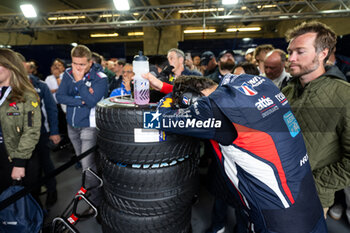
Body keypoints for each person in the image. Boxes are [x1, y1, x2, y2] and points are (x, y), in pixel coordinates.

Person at [143, 73, 327, 233]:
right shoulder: (258, 84)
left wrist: (168, 98)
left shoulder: (213, 110)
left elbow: (158, 120)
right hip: (310, 204)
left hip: (277, 220)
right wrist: (167, 86)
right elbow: (206, 96)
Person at [282, 21, 350, 219]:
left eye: (300, 52)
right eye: (290, 51)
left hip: (313, 198)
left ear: (323, 53)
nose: (291, 58)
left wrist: (315, 183)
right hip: (276, 190)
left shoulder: (344, 95)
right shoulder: (286, 91)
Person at [56, 44, 108, 209]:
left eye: (82, 64)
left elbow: (93, 102)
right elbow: (60, 97)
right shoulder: (67, 74)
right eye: (75, 64)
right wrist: (81, 100)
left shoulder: (101, 77)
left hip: (89, 126)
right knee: (84, 165)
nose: (78, 68)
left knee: (87, 166)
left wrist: (79, 83)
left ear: (90, 62)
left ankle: (97, 202)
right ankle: (91, 192)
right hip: (72, 125)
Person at [18, 53, 61, 209]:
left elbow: (51, 109)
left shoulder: (40, 85)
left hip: (40, 133)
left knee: (45, 163)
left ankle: (52, 190)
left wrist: (54, 131)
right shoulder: (9, 87)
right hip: (17, 137)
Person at [0, 48, 41, 202]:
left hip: (17, 160)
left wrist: (19, 163)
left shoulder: (27, 96)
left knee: (22, 209)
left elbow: (31, 131)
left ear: (10, 67)